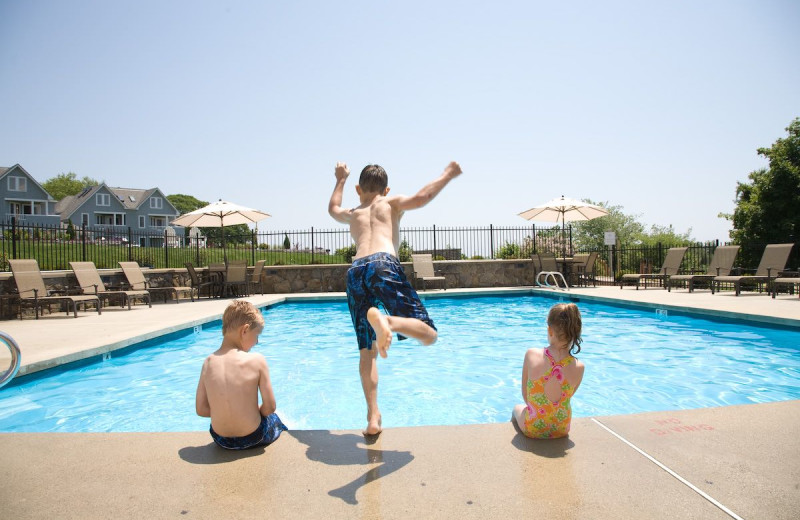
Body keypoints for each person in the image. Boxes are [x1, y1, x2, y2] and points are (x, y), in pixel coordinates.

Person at [328, 161, 463, 435]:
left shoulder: (353, 212)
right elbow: (422, 198)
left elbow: (332, 209)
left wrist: (340, 179)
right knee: (429, 335)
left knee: (367, 351)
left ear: (358, 189)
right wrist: (448, 174)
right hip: (383, 264)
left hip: (355, 271)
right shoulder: (390, 203)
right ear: (386, 189)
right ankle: (388, 321)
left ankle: (372, 417)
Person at [195, 300, 288, 450]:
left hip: (221, 439)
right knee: (276, 419)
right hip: (253, 437)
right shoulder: (257, 360)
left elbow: (201, 409)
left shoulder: (208, 362)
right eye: (257, 335)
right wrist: (252, 412)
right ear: (244, 330)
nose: (257, 342)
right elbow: (270, 407)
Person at [513, 303, 586, 439]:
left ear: (550, 331)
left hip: (533, 429)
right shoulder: (580, 367)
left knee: (517, 408)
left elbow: (526, 396)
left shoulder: (531, 354)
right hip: (562, 429)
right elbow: (567, 397)